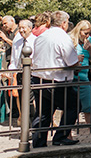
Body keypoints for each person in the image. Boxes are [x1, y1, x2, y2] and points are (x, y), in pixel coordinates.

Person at [31, 10, 80, 147]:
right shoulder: (62, 37)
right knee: (74, 106)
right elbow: (71, 62)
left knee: (43, 113)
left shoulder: (42, 36)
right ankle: (60, 136)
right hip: (57, 80)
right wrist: (78, 63)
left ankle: (38, 141)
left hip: (39, 78)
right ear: (64, 23)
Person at [69, 20, 91, 131]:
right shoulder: (70, 39)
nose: (87, 35)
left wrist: (90, 48)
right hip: (71, 76)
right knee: (69, 108)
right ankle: (67, 135)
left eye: (88, 33)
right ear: (79, 30)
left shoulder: (89, 40)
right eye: (85, 33)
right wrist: (75, 59)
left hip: (84, 76)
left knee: (88, 108)